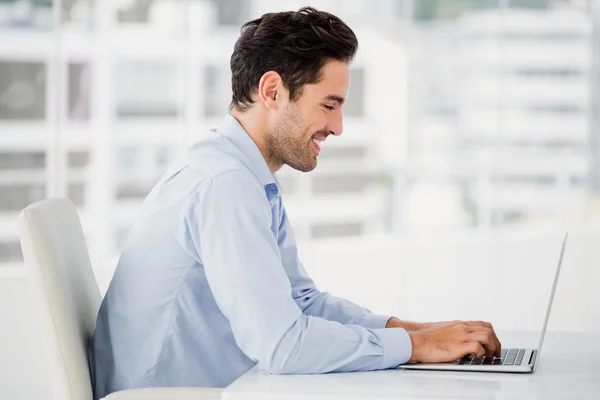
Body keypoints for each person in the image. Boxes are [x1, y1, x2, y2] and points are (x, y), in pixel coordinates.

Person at [89, 6, 501, 400]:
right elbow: (283, 345)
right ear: (272, 91)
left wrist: (413, 332)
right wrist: (413, 347)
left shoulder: (245, 175)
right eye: (329, 105)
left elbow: (302, 301)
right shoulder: (224, 184)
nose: (337, 127)